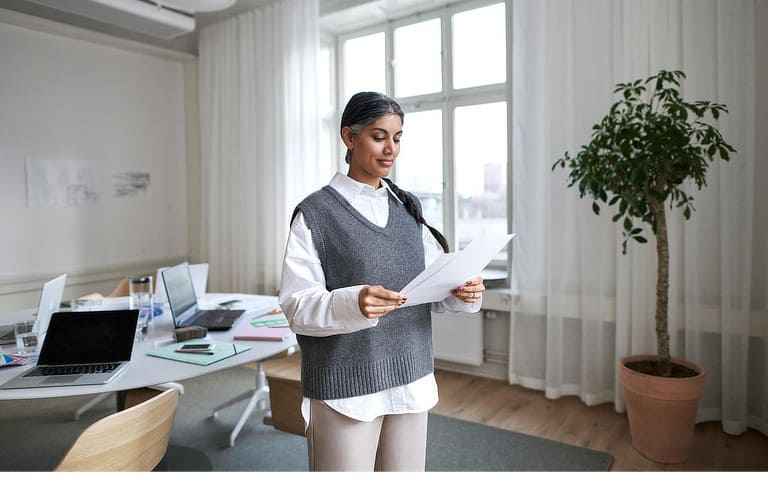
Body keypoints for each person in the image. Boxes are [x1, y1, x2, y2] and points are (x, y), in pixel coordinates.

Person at [278, 91, 485, 472]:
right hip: (346, 388)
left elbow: (431, 287)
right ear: (349, 137)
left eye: (398, 137)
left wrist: (462, 292)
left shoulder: (408, 207)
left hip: (410, 377)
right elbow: (296, 305)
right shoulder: (314, 214)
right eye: (379, 136)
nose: (391, 149)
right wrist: (353, 302)